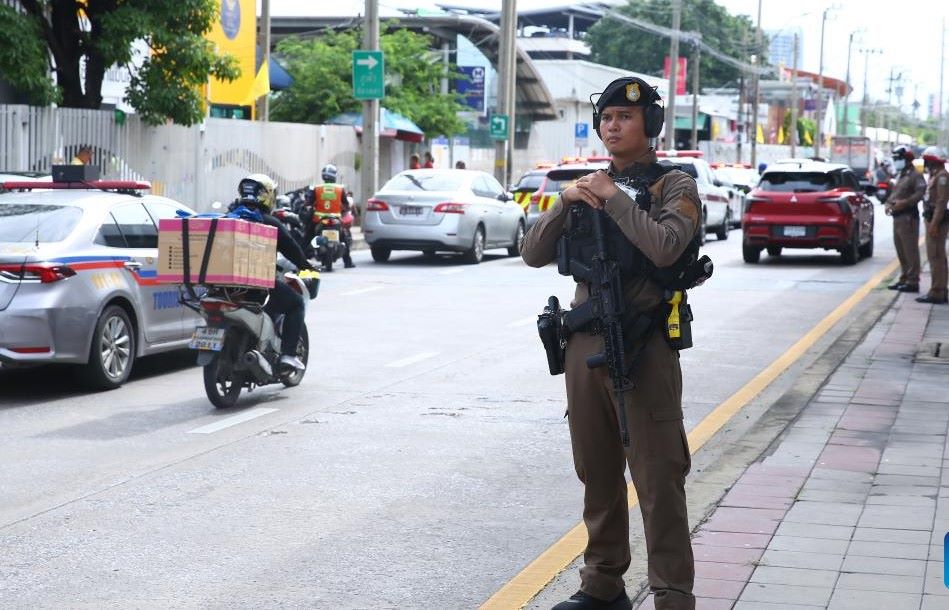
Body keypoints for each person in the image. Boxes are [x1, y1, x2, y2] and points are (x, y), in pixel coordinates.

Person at [521, 76, 700, 610]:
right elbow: (533, 254)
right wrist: (565, 201)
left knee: (658, 474)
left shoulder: (676, 187)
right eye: (606, 118)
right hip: (583, 342)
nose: (613, 126)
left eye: (625, 117)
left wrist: (614, 201)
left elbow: (666, 247)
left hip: (642, 344)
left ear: (650, 125)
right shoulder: (586, 187)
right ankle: (602, 585)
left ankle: (671, 594)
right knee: (595, 470)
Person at [236, 174, 314, 370]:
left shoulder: (229, 218)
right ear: (267, 196)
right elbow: (292, 249)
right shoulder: (269, 222)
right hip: (257, 284)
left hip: (224, 286)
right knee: (296, 303)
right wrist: (307, 266)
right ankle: (288, 354)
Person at [885, 145, 927, 293]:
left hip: (908, 217)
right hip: (897, 217)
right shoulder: (901, 174)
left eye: (898, 159)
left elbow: (920, 193)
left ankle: (913, 281)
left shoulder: (915, 175)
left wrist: (905, 202)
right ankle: (904, 278)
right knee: (901, 250)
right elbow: (895, 193)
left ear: (907, 159)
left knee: (910, 251)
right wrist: (888, 204)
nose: (896, 161)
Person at [917, 146, 949, 304]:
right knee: (938, 256)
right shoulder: (935, 175)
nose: (925, 163)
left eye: (927, 160)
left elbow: (941, 202)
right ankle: (940, 289)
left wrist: (935, 224)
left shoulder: (942, 177)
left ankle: (937, 291)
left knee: (935, 256)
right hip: (932, 219)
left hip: (937, 221)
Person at [309, 164, 355, 268]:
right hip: (336, 220)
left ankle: (303, 259)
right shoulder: (339, 188)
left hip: (319, 220)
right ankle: (348, 262)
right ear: (334, 176)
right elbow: (346, 204)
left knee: (308, 236)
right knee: (343, 238)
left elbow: (310, 203)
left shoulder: (317, 188)